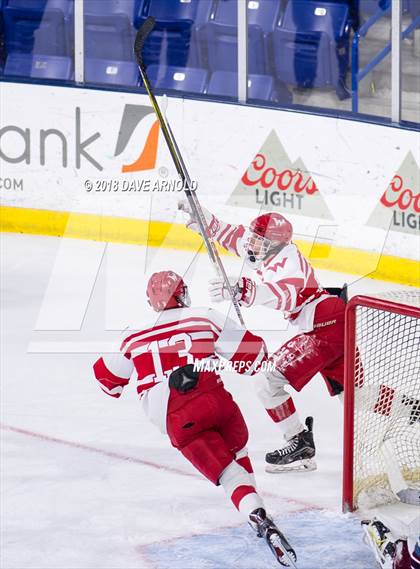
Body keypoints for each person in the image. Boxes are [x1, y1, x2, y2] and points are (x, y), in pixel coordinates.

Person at [93, 270, 297, 567]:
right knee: (237, 454)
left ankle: (257, 516)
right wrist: (247, 343)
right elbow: (254, 359)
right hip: (216, 399)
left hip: (177, 416)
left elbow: (107, 382)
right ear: (182, 294)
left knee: (228, 474)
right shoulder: (204, 316)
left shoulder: (132, 333)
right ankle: (255, 506)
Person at [179, 201, 347, 473]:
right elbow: (233, 237)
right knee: (355, 397)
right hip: (333, 322)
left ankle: (298, 442)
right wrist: (204, 219)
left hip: (324, 328)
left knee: (266, 379)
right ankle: (409, 409)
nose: (251, 245)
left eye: (258, 241)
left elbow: (284, 295)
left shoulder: (289, 264)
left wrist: (244, 290)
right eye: (253, 238)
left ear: (273, 245)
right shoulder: (266, 247)